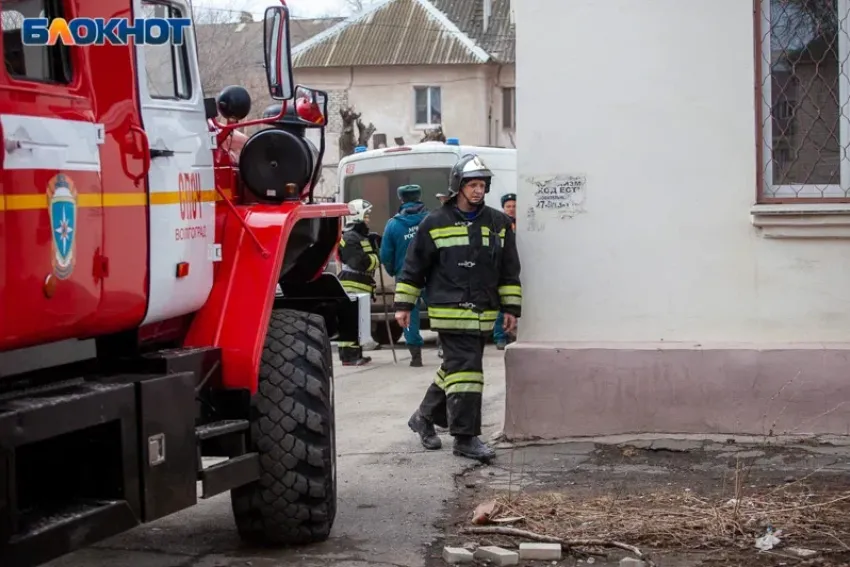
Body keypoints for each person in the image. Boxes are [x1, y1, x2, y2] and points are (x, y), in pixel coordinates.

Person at [394, 154, 522, 462]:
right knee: (468, 372)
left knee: (456, 368)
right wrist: (403, 304)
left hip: (483, 312)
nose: (478, 190)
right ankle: (465, 438)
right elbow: (414, 267)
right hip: (449, 310)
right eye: (473, 184)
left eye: (482, 185)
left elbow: (508, 269)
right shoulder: (434, 222)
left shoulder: (499, 223)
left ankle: (423, 417)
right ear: (458, 186)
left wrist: (511, 309)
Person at [380, 185, 429, 367]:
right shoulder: (431, 219)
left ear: (401, 200)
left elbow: (385, 255)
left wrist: (394, 270)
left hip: (405, 277)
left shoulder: (393, 224)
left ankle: (416, 356)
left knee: (409, 314)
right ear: (419, 197)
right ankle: (444, 348)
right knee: (441, 310)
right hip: (432, 275)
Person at [337, 199, 380, 366]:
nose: (368, 219)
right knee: (350, 322)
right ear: (358, 216)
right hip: (351, 283)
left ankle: (357, 354)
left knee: (359, 322)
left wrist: (374, 245)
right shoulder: (349, 238)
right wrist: (376, 258)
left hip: (361, 283)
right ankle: (348, 356)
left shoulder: (362, 237)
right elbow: (359, 261)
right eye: (366, 215)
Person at [493, 193, 517, 350]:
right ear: (503, 208)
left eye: (514, 206)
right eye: (508, 206)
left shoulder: (525, 224)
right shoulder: (499, 224)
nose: (512, 209)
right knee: (501, 305)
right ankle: (499, 336)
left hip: (516, 268)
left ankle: (510, 334)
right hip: (502, 269)